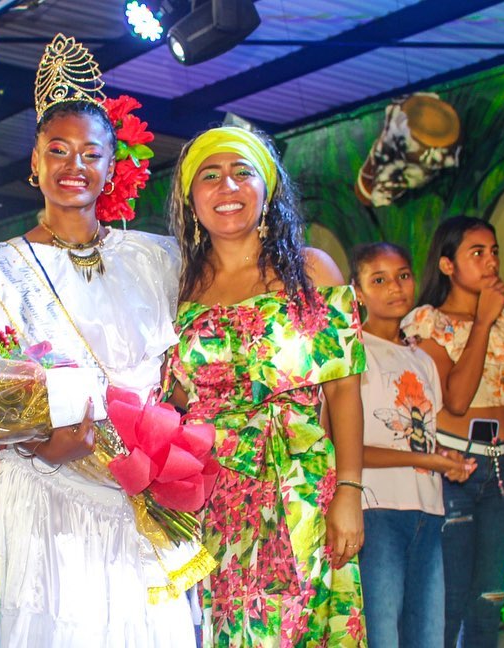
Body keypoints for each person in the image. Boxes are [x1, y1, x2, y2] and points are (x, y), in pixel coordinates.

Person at [0, 35, 212, 648]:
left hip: (144, 489)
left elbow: (193, 360)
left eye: (90, 153)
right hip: (49, 490)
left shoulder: (157, 258)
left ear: (111, 165)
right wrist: (39, 440)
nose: (74, 165)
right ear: (34, 163)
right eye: (58, 150)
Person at [165, 125, 367, 646]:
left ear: (268, 189)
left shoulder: (311, 269)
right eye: (209, 176)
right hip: (217, 497)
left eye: (242, 173)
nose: (226, 187)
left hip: (302, 487)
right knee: (232, 630)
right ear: (191, 199)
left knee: (303, 628)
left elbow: (344, 389)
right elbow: (173, 400)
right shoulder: (178, 286)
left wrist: (349, 491)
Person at [401, 215, 504, 648]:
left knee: (489, 600)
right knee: (449, 599)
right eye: (477, 253)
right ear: (448, 264)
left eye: (494, 252)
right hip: (454, 465)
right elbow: (455, 399)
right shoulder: (429, 322)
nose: (490, 262)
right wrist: (483, 322)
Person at [350, 241, 474, 648]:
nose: (395, 287)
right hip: (377, 511)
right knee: (382, 632)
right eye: (379, 280)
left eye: (402, 275)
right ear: (357, 291)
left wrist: (445, 459)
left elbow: (419, 433)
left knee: (427, 634)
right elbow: (349, 448)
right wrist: (430, 460)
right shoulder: (353, 352)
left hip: (429, 510)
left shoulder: (421, 358)